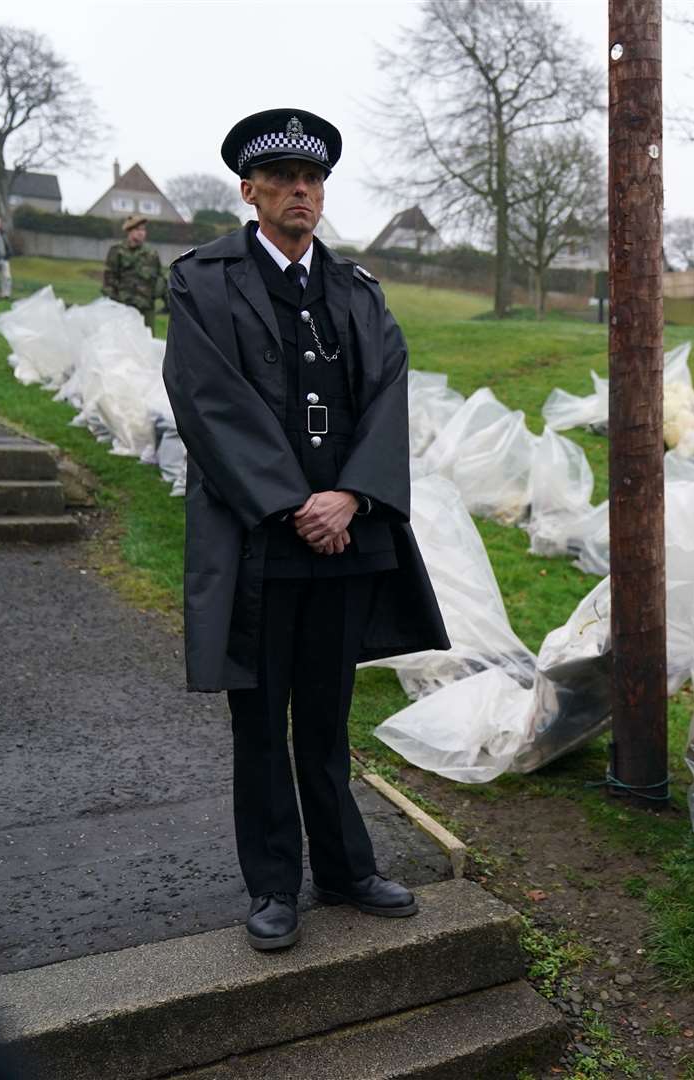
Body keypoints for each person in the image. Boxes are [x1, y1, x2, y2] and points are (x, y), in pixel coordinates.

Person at [162, 108, 449, 953]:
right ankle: (274, 886)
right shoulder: (203, 281)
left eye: (313, 179)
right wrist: (297, 501)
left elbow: (390, 393)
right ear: (249, 192)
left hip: (346, 537)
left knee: (325, 716)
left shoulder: (357, 291)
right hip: (259, 540)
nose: (301, 192)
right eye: (284, 180)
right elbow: (207, 400)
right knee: (261, 722)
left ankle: (345, 868)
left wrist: (352, 496)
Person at [103, 215, 164, 329]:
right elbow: (109, 279)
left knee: (147, 342)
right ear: (129, 231)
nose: (141, 233)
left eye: (143, 230)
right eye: (137, 229)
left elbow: (159, 278)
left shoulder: (151, 253)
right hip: (123, 307)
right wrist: (115, 303)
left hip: (146, 308)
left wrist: (164, 298)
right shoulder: (117, 251)